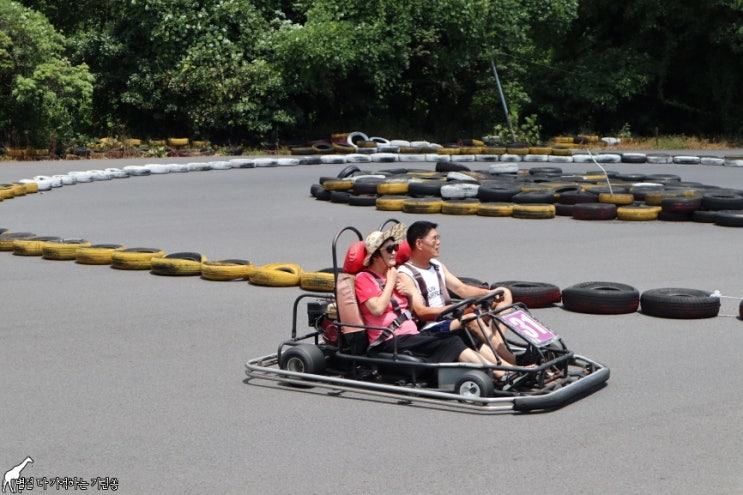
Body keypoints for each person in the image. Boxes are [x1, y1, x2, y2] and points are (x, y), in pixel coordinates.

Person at [354, 222, 510, 379]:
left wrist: (408, 295)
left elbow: (411, 311)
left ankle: (509, 368)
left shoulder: (394, 276)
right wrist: (390, 283)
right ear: (375, 255)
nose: (395, 252)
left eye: (395, 247)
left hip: (411, 334)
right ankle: (500, 374)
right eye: (389, 249)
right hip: (389, 339)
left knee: (462, 334)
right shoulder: (364, 278)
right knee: (452, 342)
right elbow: (377, 309)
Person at [398, 220, 535, 366]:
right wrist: (457, 310)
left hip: (452, 318)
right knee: (470, 318)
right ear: (419, 244)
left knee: (504, 293)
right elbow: (420, 312)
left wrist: (489, 293)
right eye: (434, 239)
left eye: (438, 238)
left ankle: (499, 348)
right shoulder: (406, 274)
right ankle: (514, 362)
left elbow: (462, 289)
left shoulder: (437, 266)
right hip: (431, 328)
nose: (438, 242)